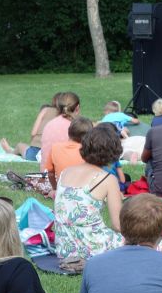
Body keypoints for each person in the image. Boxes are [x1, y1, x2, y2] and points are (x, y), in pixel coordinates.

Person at [54, 126, 124, 260]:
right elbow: (117, 224)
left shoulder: (65, 172)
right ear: (113, 152)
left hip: (65, 248)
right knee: (138, 244)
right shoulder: (108, 179)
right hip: (95, 249)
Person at [0, 92, 61, 161]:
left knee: (20, 146)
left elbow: (33, 133)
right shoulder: (67, 117)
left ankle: (10, 151)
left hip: (36, 153)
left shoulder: (45, 110)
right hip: (56, 155)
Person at [45, 116, 93, 190]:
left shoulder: (55, 148)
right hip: (85, 190)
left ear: (69, 131)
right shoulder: (89, 150)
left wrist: (55, 188)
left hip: (62, 189)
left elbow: (50, 173)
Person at [39, 92, 80, 171]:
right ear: (77, 108)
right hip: (66, 176)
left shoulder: (49, 125)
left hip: (45, 174)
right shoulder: (76, 127)